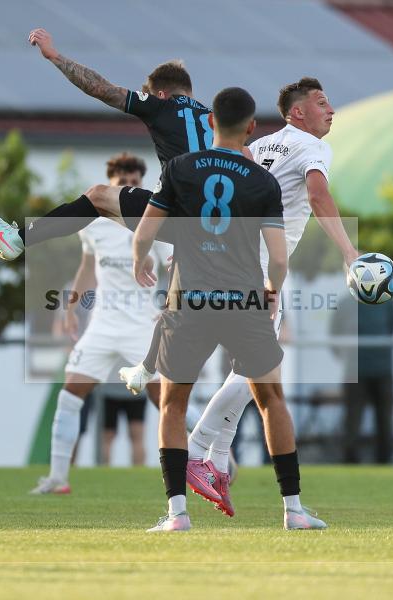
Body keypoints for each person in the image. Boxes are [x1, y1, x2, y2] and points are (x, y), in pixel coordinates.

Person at [121, 77, 361, 517]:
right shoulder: (311, 149)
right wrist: (350, 254)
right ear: (295, 113)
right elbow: (317, 194)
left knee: (198, 390)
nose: (332, 110)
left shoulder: (263, 149)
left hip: (204, 276)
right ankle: (205, 452)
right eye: (322, 102)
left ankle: (205, 466)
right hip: (253, 278)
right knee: (268, 387)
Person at [0, 27, 213, 259]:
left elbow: (102, 89)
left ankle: (18, 239)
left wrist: (54, 55)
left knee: (97, 197)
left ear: (161, 94)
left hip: (181, 216)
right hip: (222, 222)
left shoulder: (161, 106)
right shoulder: (218, 120)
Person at [29, 153, 171, 494]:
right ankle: (58, 478)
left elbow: (176, 264)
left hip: (140, 326)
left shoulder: (155, 221)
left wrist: (172, 304)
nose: (129, 188)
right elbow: (87, 269)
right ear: (110, 183)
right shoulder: (93, 225)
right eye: (123, 182)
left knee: (167, 400)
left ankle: (212, 455)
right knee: (70, 394)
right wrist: (69, 308)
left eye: (136, 183)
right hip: (102, 325)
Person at [332, 293, 393, 464]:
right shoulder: (345, 303)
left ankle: (385, 464)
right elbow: (335, 336)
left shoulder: (386, 302)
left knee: (385, 422)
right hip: (354, 371)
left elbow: (391, 328)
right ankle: (350, 463)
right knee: (352, 423)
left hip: (383, 370)